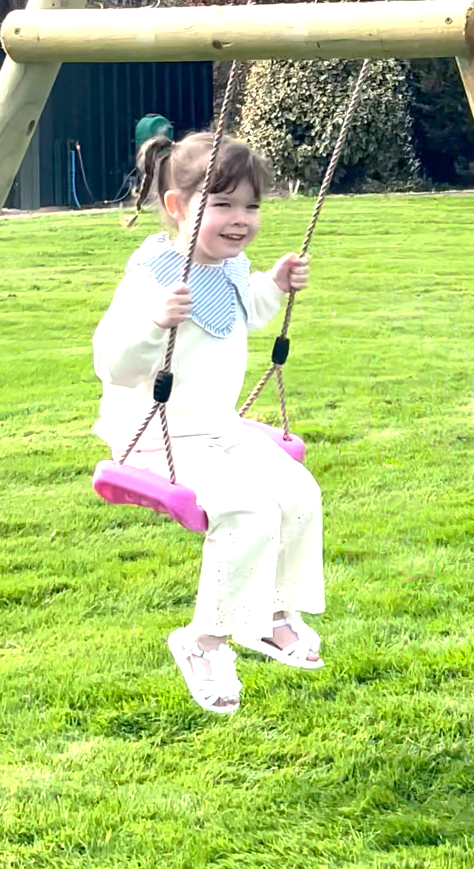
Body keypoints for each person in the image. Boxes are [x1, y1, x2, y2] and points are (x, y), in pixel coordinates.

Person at [93, 129, 325, 713]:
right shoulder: (152, 276)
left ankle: (270, 612)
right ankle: (203, 640)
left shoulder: (228, 268)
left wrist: (273, 284)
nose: (240, 218)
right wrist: (152, 322)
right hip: (159, 439)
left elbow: (240, 312)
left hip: (220, 430)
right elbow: (113, 364)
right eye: (222, 204)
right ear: (178, 207)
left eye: (251, 205)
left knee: (298, 493)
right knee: (246, 512)